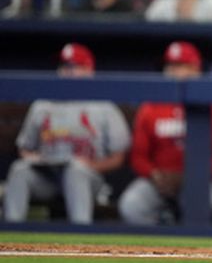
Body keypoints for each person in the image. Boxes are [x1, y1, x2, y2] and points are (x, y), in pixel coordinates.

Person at [3, 43, 130, 224]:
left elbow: (118, 157)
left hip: (87, 178)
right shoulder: (43, 105)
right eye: (64, 66)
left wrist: (88, 164)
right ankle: (10, 238)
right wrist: (36, 159)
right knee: (19, 170)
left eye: (75, 66)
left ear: (89, 70)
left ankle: (80, 237)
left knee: (75, 171)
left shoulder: (104, 106)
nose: (67, 72)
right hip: (47, 177)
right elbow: (24, 149)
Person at [119, 42, 212, 225]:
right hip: (158, 182)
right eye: (169, 66)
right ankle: (157, 248)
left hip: (198, 178)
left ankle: (189, 247)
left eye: (180, 66)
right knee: (131, 205)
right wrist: (155, 175)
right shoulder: (150, 106)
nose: (173, 72)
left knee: (204, 201)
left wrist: (190, 176)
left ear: (196, 70)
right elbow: (138, 155)